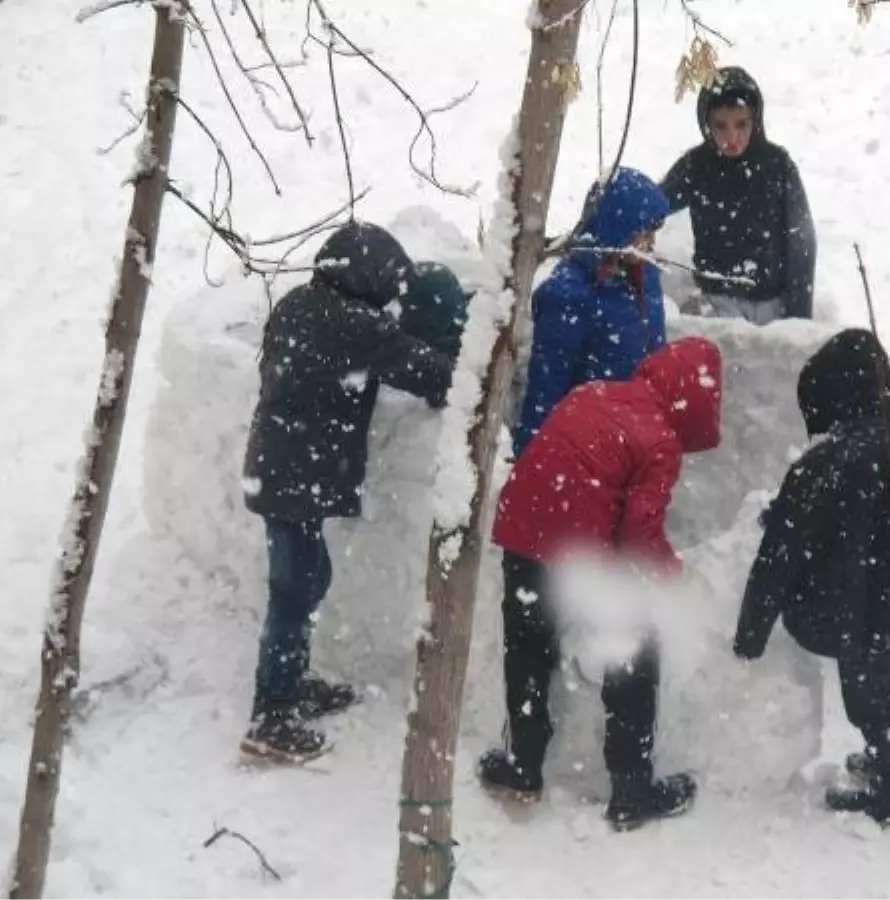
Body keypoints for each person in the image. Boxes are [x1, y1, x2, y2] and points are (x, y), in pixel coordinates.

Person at [732, 329, 890, 825]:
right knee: (881, 678)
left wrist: (751, 634)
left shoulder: (829, 463)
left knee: (867, 691)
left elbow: (780, 555)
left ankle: (888, 792)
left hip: (854, 607)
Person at [239, 221, 467, 764]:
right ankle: (271, 717)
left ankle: (290, 685)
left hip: (278, 464)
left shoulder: (301, 302)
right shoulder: (354, 326)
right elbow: (433, 374)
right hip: (297, 474)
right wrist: (466, 353)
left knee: (307, 577)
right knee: (294, 591)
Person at [480, 336, 724, 831]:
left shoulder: (595, 392)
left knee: (527, 645)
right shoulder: (659, 438)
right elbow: (638, 532)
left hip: (523, 532)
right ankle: (632, 789)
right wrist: (676, 576)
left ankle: (523, 767)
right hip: (577, 553)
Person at [511, 166, 670, 457]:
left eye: (653, 232)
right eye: (643, 233)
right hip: (590, 445)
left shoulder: (643, 273)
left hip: (638, 433)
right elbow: (546, 387)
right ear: (615, 230)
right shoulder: (569, 296)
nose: (651, 244)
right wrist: (530, 458)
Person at [660, 66, 817, 324]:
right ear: (706, 124)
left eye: (742, 124)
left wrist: (799, 317)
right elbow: (652, 204)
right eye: (721, 126)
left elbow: (802, 241)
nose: (732, 137)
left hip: (773, 304)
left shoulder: (777, 165)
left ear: (756, 120)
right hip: (716, 301)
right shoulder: (697, 165)